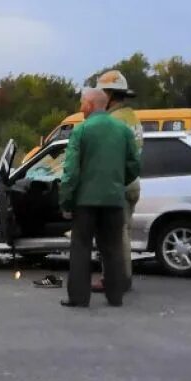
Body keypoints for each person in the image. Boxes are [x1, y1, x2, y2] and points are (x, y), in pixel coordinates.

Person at [59, 88, 141, 308]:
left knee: (81, 249)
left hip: (85, 202)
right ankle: (115, 297)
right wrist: (117, 182)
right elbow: (134, 165)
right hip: (114, 200)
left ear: (91, 104)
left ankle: (78, 297)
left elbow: (70, 172)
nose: (80, 107)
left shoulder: (82, 130)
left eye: (82, 103)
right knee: (113, 248)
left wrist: (66, 200)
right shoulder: (123, 130)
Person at [94, 70, 144, 294]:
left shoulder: (112, 121)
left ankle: (116, 280)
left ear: (109, 96)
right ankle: (121, 277)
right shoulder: (131, 117)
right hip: (132, 183)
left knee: (113, 236)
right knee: (123, 234)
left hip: (117, 185)